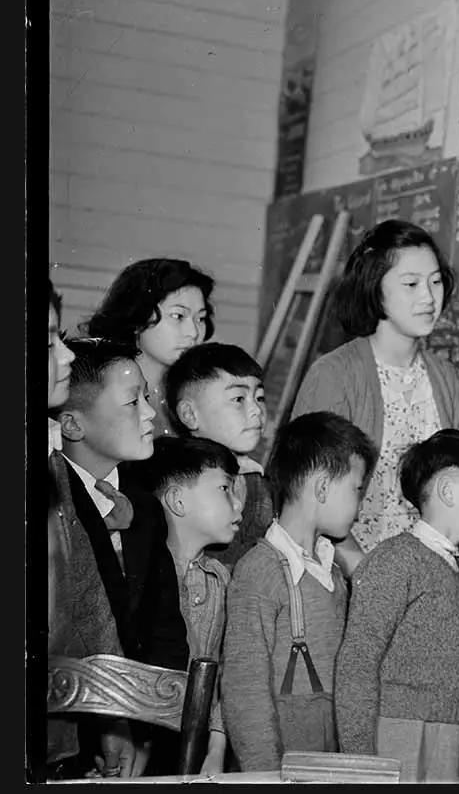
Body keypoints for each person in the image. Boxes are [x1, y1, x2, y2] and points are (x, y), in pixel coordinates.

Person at [293, 220, 459, 577]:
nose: (428, 297)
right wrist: (372, 579)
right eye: (411, 284)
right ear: (375, 289)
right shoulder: (334, 374)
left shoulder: (446, 378)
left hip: (425, 577)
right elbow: (311, 498)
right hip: (347, 575)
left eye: (435, 282)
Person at [335, 429, 459, 783]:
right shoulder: (395, 561)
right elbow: (357, 664)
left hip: (453, 731)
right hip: (397, 734)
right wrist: (359, 761)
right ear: (448, 491)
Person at [52, 336, 190, 776]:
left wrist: (149, 725)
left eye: (147, 397)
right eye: (133, 402)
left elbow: (165, 626)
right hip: (68, 729)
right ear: (72, 425)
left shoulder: (144, 504)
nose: (150, 413)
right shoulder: (50, 503)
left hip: (140, 728)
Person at [222, 411, 377, 772]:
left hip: (329, 767)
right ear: (322, 487)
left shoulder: (334, 573)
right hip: (280, 772)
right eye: (357, 490)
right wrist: (264, 775)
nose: (360, 505)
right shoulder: (260, 572)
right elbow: (245, 691)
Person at [43, 282, 136, 781]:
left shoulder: (52, 467)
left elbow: (87, 600)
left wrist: (112, 712)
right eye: (46, 341)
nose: (63, 357)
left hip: (52, 734)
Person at [122, 436, 242, 776]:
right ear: (177, 500)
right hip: (139, 744)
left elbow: (224, 675)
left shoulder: (221, 580)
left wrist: (216, 749)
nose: (238, 505)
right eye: (224, 489)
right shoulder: (137, 577)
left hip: (198, 748)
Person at [165, 342, 272, 570]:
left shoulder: (256, 481)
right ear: (190, 415)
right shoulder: (179, 479)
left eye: (259, 397)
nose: (256, 410)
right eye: (238, 399)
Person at [84, 258, 216, 438]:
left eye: (200, 318)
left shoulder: (201, 393)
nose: (193, 332)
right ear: (138, 318)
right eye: (178, 316)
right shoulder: (100, 392)